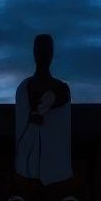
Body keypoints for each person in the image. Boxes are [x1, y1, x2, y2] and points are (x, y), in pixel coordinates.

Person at [14, 33, 73, 185]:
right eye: (40, 50)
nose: (43, 54)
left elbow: (63, 95)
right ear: (34, 53)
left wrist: (53, 98)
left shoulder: (61, 88)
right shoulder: (24, 88)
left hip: (55, 169)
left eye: (46, 50)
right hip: (29, 168)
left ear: (52, 54)